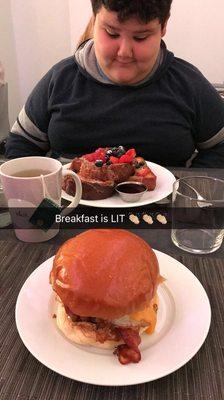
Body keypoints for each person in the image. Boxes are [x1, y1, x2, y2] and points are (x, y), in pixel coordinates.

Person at [5, 0, 224, 167]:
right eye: (111, 33)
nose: (124, 53)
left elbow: (220, 148)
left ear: (163, 27)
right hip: (69, 217)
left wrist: (189, 193)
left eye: (141, 37)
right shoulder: (61, 78)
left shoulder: (188, 83)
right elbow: (22, 144)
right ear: (94, 19)